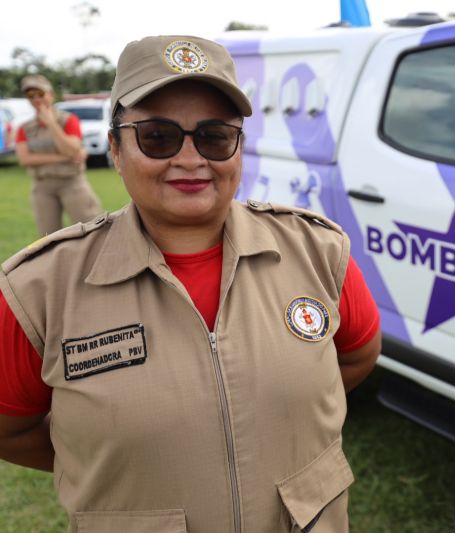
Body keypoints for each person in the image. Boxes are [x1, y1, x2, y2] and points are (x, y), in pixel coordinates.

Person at [0, 35, 381, 532]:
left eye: (214, 136)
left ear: (238, 146)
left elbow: (355, 356)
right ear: (115, 148)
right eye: (158, 136)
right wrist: (107, 457)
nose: (190, 158)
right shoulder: (39, 289)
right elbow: (8, 429)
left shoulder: (318, 251)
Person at [14, 74, 103, 236]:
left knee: (92, 230)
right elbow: (25, 159)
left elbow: (72, 150)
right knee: (48, 238)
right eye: (30, 95)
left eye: (40, 94)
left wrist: (51, 124)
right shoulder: (24, 128)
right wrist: (65, 157)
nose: (36, 99)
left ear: (51, 95)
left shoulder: (68, 121)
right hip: (42, 186)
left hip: (72, 182)